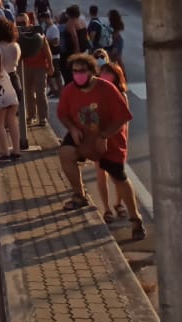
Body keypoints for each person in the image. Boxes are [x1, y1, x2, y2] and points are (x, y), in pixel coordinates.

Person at [55, 54, 143, 239]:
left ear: (92, 72)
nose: (78, 75)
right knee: (66, 152)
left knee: (119, 177)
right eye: (75, 71)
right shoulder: (70, 90)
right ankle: (79, 194)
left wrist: (104, 135)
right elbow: (62, 113)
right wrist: (72, 128)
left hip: (109, 139)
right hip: (83, 135)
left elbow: (122, 117)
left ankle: (135, 219)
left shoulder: (107, 89)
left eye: (82, 71)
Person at [0, 17, 22, 163]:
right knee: (12, 119)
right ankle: (16, 150)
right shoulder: (15, 45)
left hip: (2, 83)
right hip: (14, 80)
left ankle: (5, 152)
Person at [18, 13, 51, 128]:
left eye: (23, 22)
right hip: (25, 67)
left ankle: (43, 117)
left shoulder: (37, 34)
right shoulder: (18, 35)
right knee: (28, 93)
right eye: (19, 23)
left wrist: (51, 66)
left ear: (29, 22)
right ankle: (31, 116)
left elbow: (47, 50)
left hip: (40, 67)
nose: (21, 25)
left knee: (41, 92)